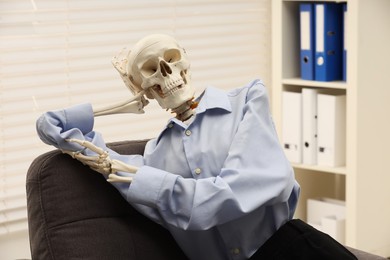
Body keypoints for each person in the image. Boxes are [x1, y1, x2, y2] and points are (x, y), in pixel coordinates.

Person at [36, 35, 356, 260]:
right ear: (140, 87)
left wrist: (144, 181)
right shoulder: (154, 157)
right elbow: (73, 139)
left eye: (172, 59)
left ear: (185, 61)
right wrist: (121, 106)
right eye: (150, 71)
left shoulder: (247, 101)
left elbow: (230, 195)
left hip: (295, 251)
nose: (166, 72)